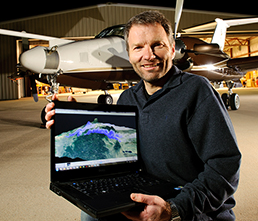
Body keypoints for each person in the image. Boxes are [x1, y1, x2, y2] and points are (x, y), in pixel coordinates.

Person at [46, 11, 241, 221]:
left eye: (158, 45)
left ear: (173, 48)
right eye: (138, 47)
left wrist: (173, 208)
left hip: (190, 206)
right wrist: (74, 118)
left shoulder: (196, 91)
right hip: (145, 192)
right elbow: (120, 152)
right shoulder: (128, 98)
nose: (148, 56)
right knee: (91, 214)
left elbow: (226, 165)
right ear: (129, 53)